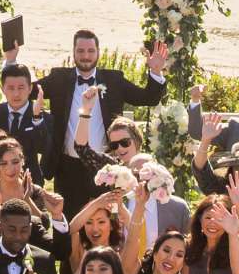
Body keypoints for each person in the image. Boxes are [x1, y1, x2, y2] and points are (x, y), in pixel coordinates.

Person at [36, 31, 170, 212]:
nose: (85, 56)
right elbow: (27, 89)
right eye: (81, 51)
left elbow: (148, 98)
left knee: (105, 221)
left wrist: (155, 71)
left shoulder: (113, 80)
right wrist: (11, 61)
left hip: (106, 167)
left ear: (98, 52)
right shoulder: (59, 78)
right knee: (68, 224)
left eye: (90, 51)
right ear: (73, 52)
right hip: (66, 168)